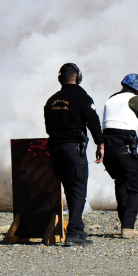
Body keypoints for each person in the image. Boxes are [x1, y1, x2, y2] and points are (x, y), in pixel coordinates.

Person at [44, 63, 104, 247]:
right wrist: (100, 144)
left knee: (70, 189)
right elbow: (93, 122)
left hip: (55, 150)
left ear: (60, 78)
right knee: (78, 190)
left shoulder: (51, 100)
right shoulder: (82, 97)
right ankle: (74, 234)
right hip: (73, 149)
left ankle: (78, 226)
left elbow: (48, 127)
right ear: (78, 77)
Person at [101, 73, 138, 239]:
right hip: (125, 150)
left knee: (121, 185)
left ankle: (125, 224)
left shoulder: (111, 99)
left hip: (108, 150)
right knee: (134, 191)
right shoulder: (135, 100)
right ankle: (128, 228)